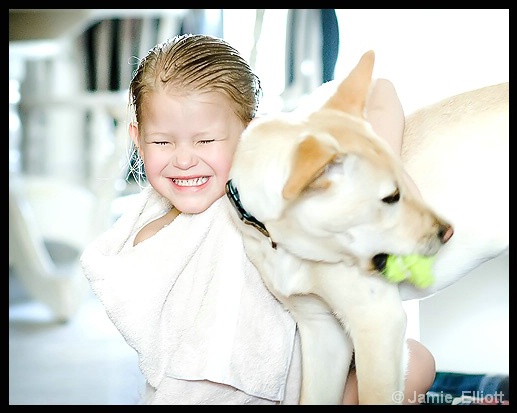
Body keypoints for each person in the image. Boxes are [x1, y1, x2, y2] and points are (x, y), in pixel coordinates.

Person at [81, 33, 434, 405]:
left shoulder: (262, 191)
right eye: (162, 142)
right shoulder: (145, 239)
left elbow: (381, 94)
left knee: (417, 360)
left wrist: (387, 170)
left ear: (252, 132)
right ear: (138, 139)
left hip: (303, 384)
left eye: (205, 141)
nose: (183, 159)